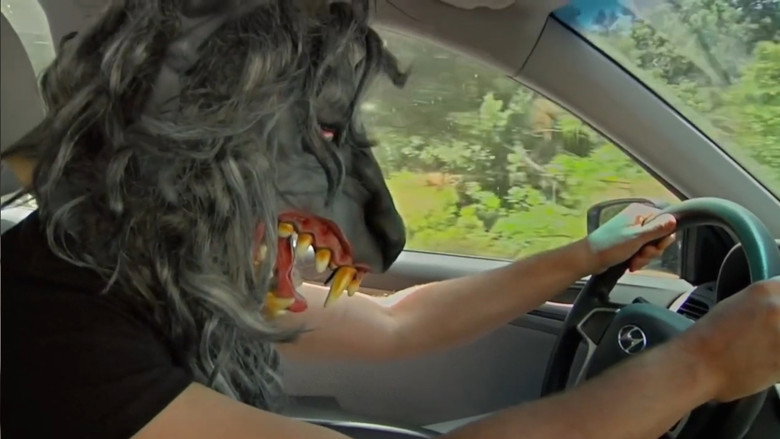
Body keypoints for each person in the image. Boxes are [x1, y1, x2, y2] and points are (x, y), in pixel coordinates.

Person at [1, 1, 778, 438]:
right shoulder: (50, 326)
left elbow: (398, 321)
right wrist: (700, 364)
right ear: (196, 152)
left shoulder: (170, 261)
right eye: (316, 138)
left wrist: (586, 253)